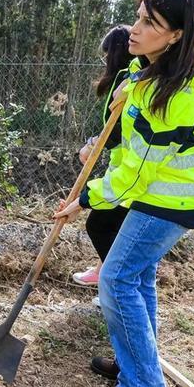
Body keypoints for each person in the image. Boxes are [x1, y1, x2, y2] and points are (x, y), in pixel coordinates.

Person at [54, 0, 194, 387]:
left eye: (150, 22)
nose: (135, 29)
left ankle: (143, 381)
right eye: (138, 17)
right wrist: (131, 87)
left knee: (116, 279)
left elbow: (136, 171)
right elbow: (133, 155)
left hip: (167, 201)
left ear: (176, 35)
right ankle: (134, 364)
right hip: (160, 193)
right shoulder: (154, 72)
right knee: (139, 276)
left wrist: (87, 198)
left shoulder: (175, 94)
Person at [71, 26, 135, 307]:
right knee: (112, 227)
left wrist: (93, 145)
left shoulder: (128, 80)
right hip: (124, 169)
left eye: (106, 54)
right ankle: (104, 273)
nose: (104, 60)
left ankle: (115, 288)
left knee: (99, 224)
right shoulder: (129, 78)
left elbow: (117, 129)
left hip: (131, 174)